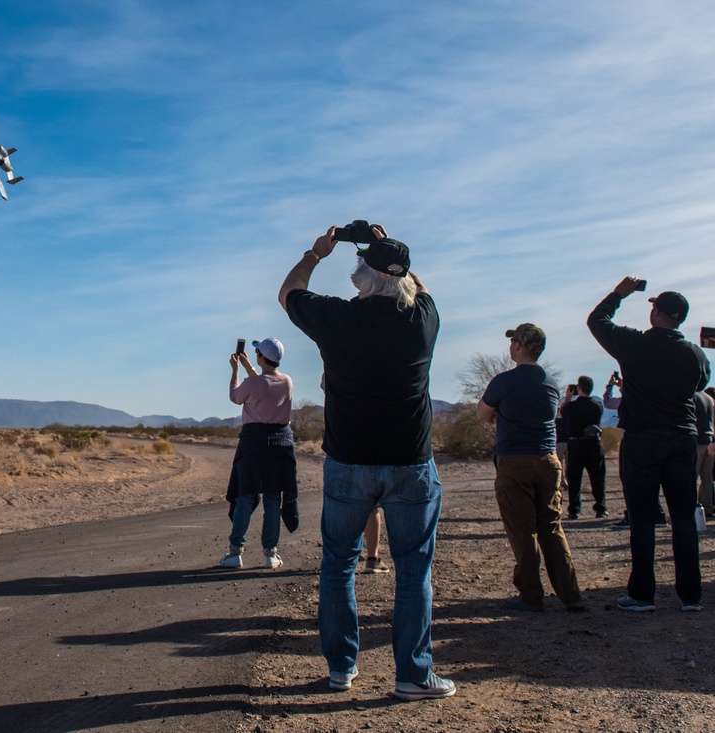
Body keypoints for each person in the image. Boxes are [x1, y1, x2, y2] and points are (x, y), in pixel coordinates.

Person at [280, 224, 455, 701]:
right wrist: (392, 248)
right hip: (410, 464)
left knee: (338, 565)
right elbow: (418, 287)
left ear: (360, 273)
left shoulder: (335, 317)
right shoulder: (423, 318)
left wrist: (317, 253)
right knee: (413, 570)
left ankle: (341, 669)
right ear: (403, 278)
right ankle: (413, 675)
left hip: (348, 463)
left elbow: (289, 293)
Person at [587, 281, 710, 612]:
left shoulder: (634, 344)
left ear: (655, 312)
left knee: (642, 518)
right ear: (680, 319)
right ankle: (691, 595)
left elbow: (597, 321)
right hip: (683, 437)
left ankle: (642, 595)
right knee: (683, 516)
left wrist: (617, 295)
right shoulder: (694, 354)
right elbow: (701, 383)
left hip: (642, 438)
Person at [476, 323, 586, 613]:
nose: (510, 345)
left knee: (522, 530)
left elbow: (482, 414)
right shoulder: (549, 382)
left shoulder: (504, 381)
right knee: (551, 526)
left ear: (519, 346)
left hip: (515, 460)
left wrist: (500, 415)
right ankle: (570, 593)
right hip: (548, 459)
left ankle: (530, 594)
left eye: (513, 341)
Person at [220, 337, 298, 570]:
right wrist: (249, 368)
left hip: (254, 445)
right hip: (279, 446)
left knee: (245, 496)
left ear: (262, 357)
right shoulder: (287, 381)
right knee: (273, 498)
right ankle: (270, 553)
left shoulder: (253, 384)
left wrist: (235, 371)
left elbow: (236, 396)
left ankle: (235, 552)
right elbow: (265, 384)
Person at [605, 373, 667, 530]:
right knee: (649, 480)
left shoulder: (625, 400)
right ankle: (657, 514)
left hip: (631, 441)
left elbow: (608, 402)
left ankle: (633, 515)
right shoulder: (648, 399)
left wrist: (610, 386)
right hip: (650, 440)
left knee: (630, 480)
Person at [561, 376, 607, 519]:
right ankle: (601, 507)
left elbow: (562, 413)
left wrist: (568, 397)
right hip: (594, 443)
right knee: (597, 476)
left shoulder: (573, 406)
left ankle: (574, 509)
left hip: (576, 444)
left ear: (579, 388)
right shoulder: (597, 406)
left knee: (574, 477)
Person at [694, 389, 714, 517]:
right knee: (707, 476)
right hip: (709, 439)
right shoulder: (709, 399)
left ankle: (692, 506)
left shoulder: (692, 397)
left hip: (697, 439)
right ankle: (707, 506)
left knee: (692, 475)